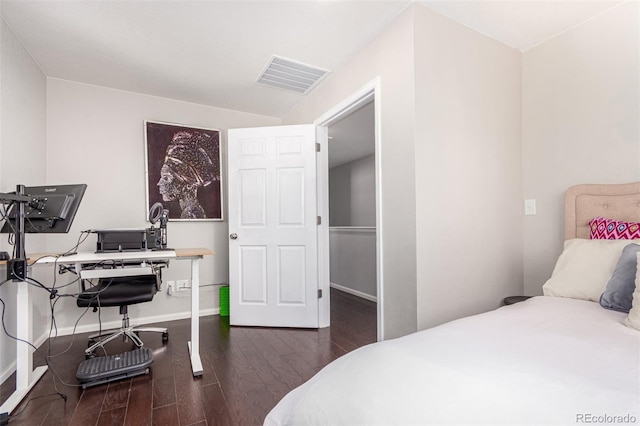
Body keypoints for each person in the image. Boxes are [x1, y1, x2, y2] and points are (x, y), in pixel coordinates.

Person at [157, 130, 218, 219]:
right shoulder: (189, 211)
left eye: (166, 178)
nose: (159, 183)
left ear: (189, 185)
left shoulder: (190, 214)